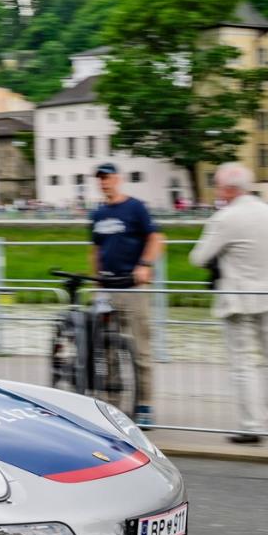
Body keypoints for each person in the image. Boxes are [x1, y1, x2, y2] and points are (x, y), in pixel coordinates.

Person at [190, 163, 268, 444]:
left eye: (218, 187)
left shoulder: (226, 217)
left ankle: (251, 425)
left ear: (229, 189)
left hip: (239, 298)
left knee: (243, 363)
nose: (217, 192)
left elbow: (198, 258)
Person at [89, 162, 164, 425]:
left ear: (118, 179)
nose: (104, 182)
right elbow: (96, 250)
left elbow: (156, 239)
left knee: (140, 348)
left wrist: (144, 265)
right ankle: (113, 404)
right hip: (107, 289)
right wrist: (97, 282)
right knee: (107, 349)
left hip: (132, 289)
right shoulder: (97, 214)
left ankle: (145, 405)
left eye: (108, 178)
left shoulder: (136, 208)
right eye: (100, 179)